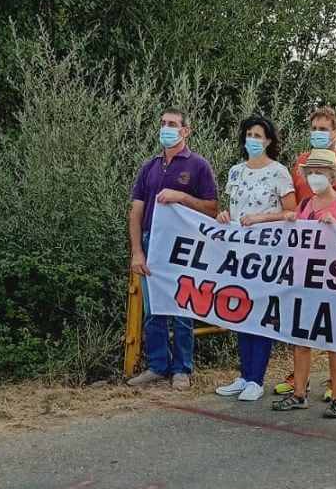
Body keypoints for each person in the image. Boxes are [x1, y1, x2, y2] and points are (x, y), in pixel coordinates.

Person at [276, 107, 336, 399]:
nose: (317, 133)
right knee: (302, 332)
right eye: (314, 128)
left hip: (335, 270)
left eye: (323, 128)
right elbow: (293, 209)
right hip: (307, 268)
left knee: (333, 333)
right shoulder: (301, 166)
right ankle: (299, 386)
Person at [127, 108, 219, 390]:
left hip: (183, 245)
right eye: (163, 123)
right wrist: (136, 251)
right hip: (151, 243)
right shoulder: (149, 167)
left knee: (182, 307)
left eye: (173, 124)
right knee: (153, 309)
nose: (166, 128)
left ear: (185, 131)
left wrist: (181, 197)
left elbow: (212, 209)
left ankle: (182, 369)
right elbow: (136, 211)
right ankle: (157, 365)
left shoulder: (198, 165)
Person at [270, 150, 336, 418]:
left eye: (320, 172)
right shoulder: (305, 205)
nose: (314, 177)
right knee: (301, 339)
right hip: (305, 281)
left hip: (335, 283)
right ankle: (299, 393)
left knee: (335, 341)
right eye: (310, 172)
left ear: (332, 175)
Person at [214, 116, 296, 402]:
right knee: (240, 309)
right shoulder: (236, 171)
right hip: (237, 252)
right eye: (249, 134)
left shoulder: (279, 172)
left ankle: (257, 379)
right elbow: (232, 208)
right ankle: (244, 374)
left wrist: (263, 218)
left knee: (260, 313)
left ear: (269, 141)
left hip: (266, 255)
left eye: (258, 135)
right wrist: (223, 216)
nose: (253, 139)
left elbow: (291, 213)